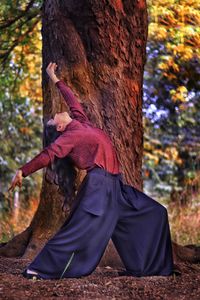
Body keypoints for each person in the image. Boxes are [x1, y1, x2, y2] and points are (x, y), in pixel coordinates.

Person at [9, 62, 174, 280]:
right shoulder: (69, 137)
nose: (55, 112)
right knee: (76, 231)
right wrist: (23, 171)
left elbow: (71, 99)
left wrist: (53, 77)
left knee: (155, 213)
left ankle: (149, 268)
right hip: (99, 187)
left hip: (116, 188)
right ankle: (38, 269)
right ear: (59, 127)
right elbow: (48, 154)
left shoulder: (80, 122)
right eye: (53, 117)